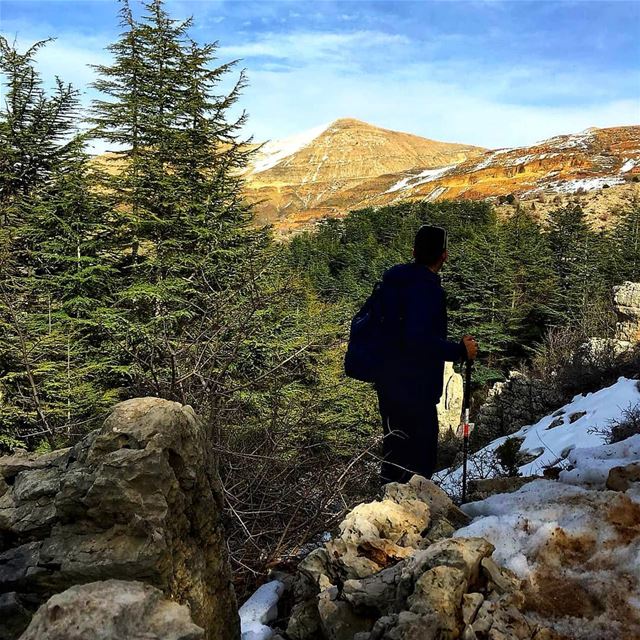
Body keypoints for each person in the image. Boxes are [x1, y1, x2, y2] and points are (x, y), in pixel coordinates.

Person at [376, 225, 477, 484]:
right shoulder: (427, 290)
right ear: (444, 255)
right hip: (416, 386)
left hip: (387, 381)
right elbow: (418, 340)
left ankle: (387, 514)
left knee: (394, 454)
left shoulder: (394, 282)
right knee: (421, 463)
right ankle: (413, 518)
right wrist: (458, 351)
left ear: (414, 251)